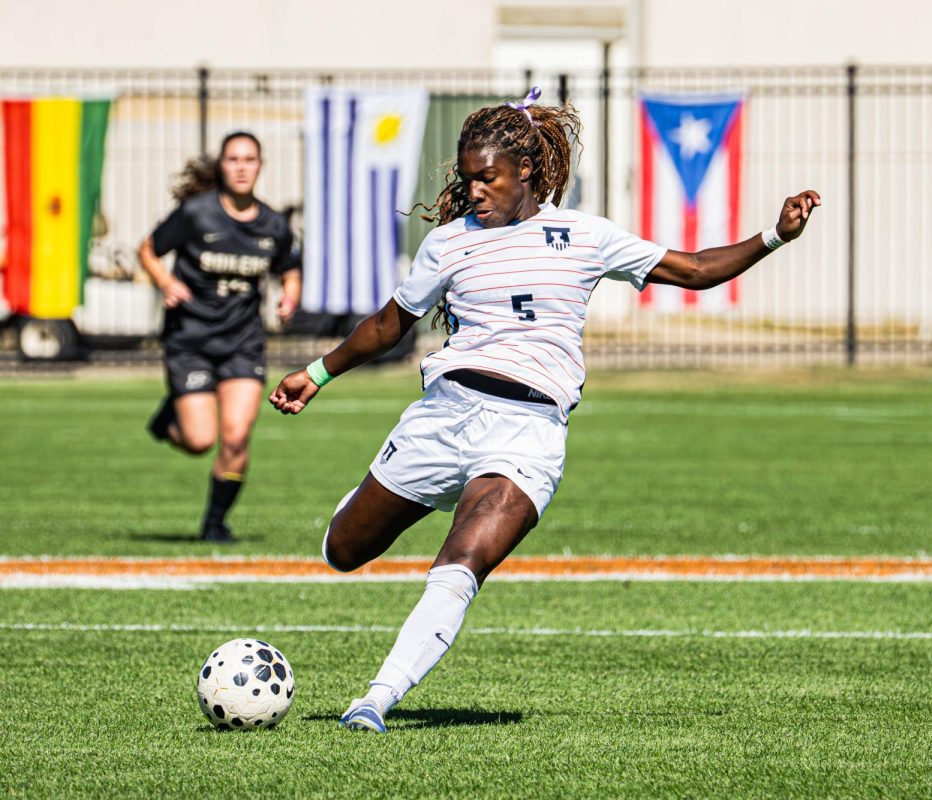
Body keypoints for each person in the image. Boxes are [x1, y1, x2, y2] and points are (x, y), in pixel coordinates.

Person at [268, 89, 820, 733]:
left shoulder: (583, 235)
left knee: (460, 565)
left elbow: (694, 270)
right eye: (467, 177)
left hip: (527, 433)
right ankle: (401, 493)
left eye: (487, 177)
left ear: (525, 171)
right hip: (443, 416)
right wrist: (316, 373)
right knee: (343, 550)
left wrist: (774, 235)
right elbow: (393, 323)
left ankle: (375, 700)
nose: (474, 189)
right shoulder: (449, 244)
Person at [140, 131, 302, 542]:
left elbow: (290, 267)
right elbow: (148, 249)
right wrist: (164, 281)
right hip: (190, 338)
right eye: (233, 159)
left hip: (242, 342)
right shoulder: (195, 214)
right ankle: (168, 419)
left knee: (236, 434)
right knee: (199, 440)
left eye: (249, 159)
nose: (242, 167)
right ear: (221, 167)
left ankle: (215, 522)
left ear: (260, 166)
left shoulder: (273, 224)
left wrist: (290, 297)